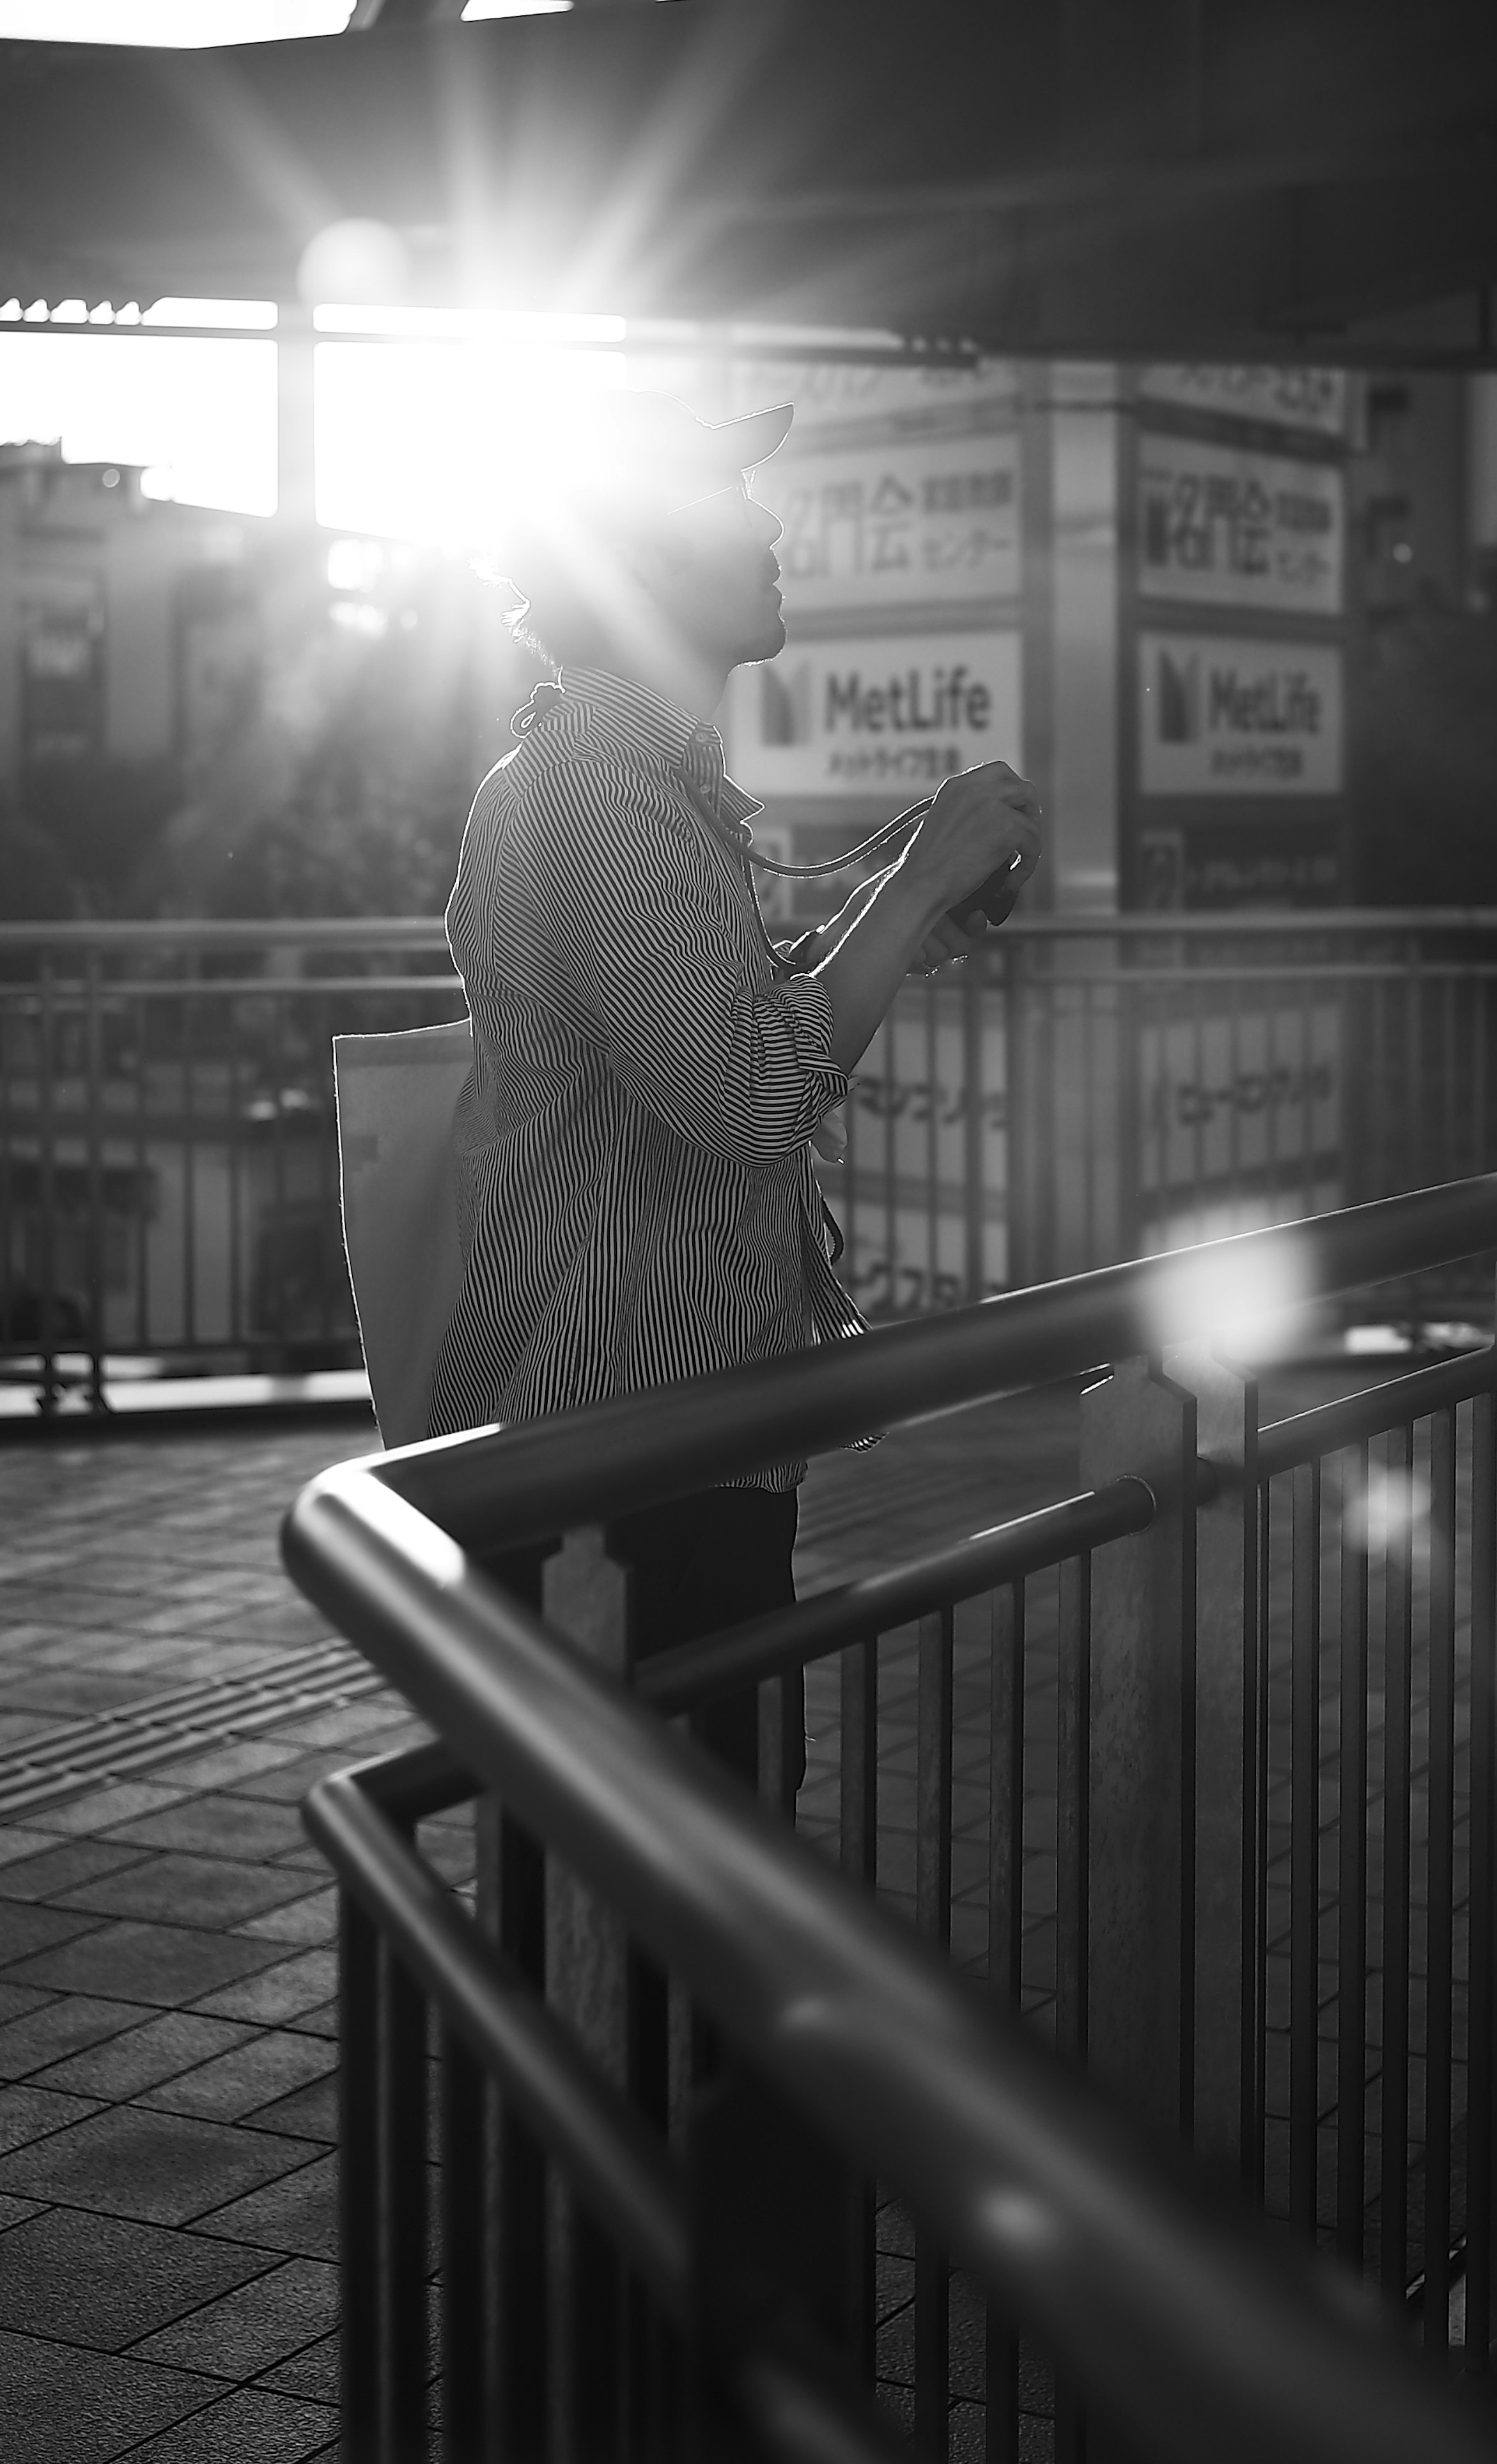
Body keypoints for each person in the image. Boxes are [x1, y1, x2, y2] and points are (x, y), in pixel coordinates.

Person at [427, 391, 1043, 1782]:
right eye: (725, 499)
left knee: (665, 1882)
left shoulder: (629, 775)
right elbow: (760, 1099)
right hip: (621, 1452)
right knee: (651, 1898)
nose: (767, 522)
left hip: (659, 1434)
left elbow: (712, 1044)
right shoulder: (594, 784)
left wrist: (880, 937)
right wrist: (920, 879)